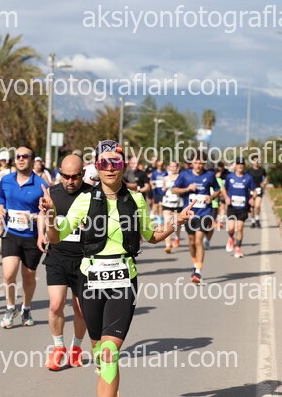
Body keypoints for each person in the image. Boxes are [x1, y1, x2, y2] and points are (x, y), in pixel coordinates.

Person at [41, 140, 195, 397]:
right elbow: (56, 237)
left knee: (110, 352)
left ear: (123, 166)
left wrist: (176, 221)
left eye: (116, 162)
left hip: (123, 283)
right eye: (104, 163)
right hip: (90, 284)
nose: (110, 168)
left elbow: (152, 236)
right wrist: (49, 216)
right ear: (96, 167)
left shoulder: (136, 199)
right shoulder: (84, 200)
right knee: (99, 353)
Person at [37, 154, 90, 371]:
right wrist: (40, 234)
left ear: (82, 174)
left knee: (81, 310)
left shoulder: (91, 195)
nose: (69, 181)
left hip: (83, 260)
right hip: (57, 256)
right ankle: (58, 347)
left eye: (75, 177)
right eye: (65, 176)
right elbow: (42, 213)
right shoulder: (52, 193)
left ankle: (76, 348)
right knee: (56, 305)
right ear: (60, 173)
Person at [0, 145, 48, 329]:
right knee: (8, 274)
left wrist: (35, 219)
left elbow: (46, 211)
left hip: (32, 236)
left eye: (25, 156)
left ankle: (26, 308)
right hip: (11, 233)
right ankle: (10, 308)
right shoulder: (6, 180)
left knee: (28, 275)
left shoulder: (41, 184)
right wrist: (1, 207)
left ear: (32, 160)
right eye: (18, 156)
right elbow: (0, 198)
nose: (20, 159)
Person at [172, 152, 220, 283]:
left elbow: (217, 190)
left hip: (204, 212)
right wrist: (187, 189)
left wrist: (212, 196)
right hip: (189, 214)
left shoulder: (209, 175)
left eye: (201, 163)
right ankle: (195, 264)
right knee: (192, 242)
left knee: (199, 240)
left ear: (204, 163)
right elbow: (173, 190)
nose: (198, 165)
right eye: (196, 163)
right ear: (191, 163)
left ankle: (198, 271)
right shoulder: (185, 174)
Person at [222, 158, 257, 258]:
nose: (240, 166)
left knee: (240, 228)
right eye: (238, 164)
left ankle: (238, 248)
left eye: (242, 164)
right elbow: (224, 188)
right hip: (232, 206)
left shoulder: (248, 178)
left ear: (244, 166)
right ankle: (231, 237)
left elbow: (254, 191)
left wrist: (252, 198)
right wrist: (226, 197)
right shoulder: (230, 177)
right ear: (235, 165)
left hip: (243, 207)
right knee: (231, 228)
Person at [0, 151, 15, 255]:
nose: (3, 162)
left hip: (11, 197)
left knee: (10, 220)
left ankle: (11, 242)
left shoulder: (12, 169)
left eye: (5, 160)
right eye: (1, 160)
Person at [161, 161, 183, 253]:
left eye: (174, 166)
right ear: (169, 167)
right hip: (167, 202)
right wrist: (164, 188)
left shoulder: (181, 177)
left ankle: (177, 237)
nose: (173, 168)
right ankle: (168, 245)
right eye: (171, 166)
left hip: (177, 203)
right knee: (167, 223)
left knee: (176, 224)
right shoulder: (165, 178)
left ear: (178, 167)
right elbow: (163, 189)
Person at [246, 156, 267, 228]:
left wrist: (264, 182)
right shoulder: (249, 170)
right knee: (251, 207)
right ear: (252, 162)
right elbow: (246, 179)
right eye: (255, 160)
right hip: (251, 190)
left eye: (258, 161)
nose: (256, 162)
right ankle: (252, 221)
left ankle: (257, 218)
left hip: (259, 189)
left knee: (257, 206)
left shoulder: (262, 170)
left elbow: (266, 177)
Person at [149, 159, 167, 224]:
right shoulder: (154, 173)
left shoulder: (165, 172)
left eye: (161, 165)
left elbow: (167, 179)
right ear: (157, 165)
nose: (160, 166)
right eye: (159, 165)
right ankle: (156, 215)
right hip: (156, 190)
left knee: (160, 204)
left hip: (162, 190)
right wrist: (152, 185)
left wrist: (165, 186)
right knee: (156, 204)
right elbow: (151, 181)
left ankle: (160, 217)